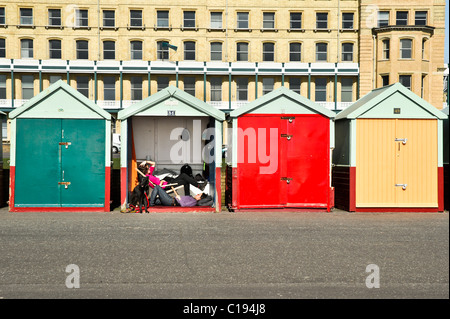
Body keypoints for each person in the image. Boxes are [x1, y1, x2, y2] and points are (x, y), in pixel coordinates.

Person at [140, 160, 206, 195]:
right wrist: (162, 181)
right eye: (148, 168)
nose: (149, 168)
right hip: (167, 185)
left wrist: (146, 161)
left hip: (168, 182)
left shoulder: (149, 175)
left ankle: (197, 187)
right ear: (145, 171)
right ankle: (198, 186)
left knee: (183, 175)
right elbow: (158, 186)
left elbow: (153, 163)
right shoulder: (148, 177)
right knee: (184, 177)